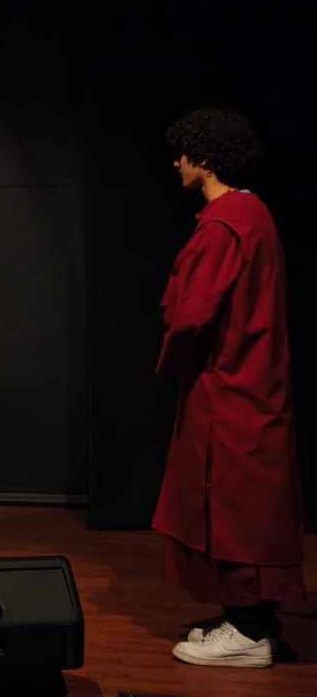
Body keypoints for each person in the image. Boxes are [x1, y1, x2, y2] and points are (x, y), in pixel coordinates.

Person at [154, 108, 305, 669]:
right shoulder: (253, 212)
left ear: (206, 157)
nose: (177, 162)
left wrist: (172, 333)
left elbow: (191, 313)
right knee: (248, 504)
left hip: (232, 386)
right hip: (253, 380)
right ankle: (255, 623)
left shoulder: (224, 225)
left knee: (230, 506)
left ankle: (248, 633)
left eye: (183, 153)